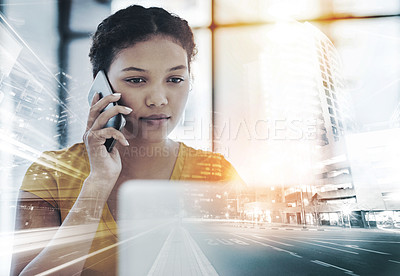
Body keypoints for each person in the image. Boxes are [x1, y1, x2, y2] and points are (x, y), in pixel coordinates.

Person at [11, 5, 243, 275]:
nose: (158, 99)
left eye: (175, 79)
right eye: (136, 79)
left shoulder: (216, 173)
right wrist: (97, 184)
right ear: (101, 86)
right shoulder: (51, 174)